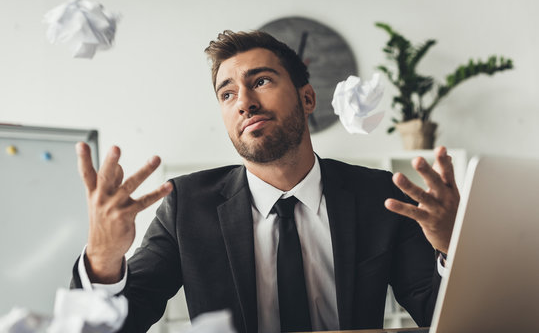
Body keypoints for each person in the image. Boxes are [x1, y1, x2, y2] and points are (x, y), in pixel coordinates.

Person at [72, 30, 460, 333]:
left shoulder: (380, 197)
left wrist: (451, 249)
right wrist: (103, 262)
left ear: (307, 99)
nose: (244, 102)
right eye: (227, 93)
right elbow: (119, 325)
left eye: (260, 81)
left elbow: (442, 315)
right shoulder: (186, 206)